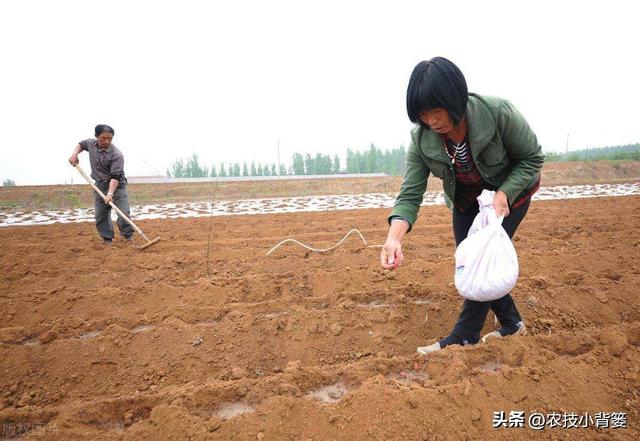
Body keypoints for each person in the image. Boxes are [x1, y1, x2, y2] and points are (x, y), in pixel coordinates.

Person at [381, 57, 544, 355]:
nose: (431, 121)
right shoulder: (421, 140)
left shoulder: (498, 113)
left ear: (454, 99)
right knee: (473, 262)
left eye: (436, 110)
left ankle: (465, 334)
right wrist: (394, 237)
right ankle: (512, 324)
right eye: (422, 114)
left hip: (509, 195)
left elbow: (532, 158)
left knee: (482, 258)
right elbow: (410, 194)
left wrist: (504, 193)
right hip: (467, 198)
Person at [68, 124, 134, 244]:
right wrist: (74, 154)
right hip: (100, 185)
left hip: (117, 185)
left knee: (123, 212)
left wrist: (110, 194)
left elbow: (116, 176)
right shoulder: (90, 144)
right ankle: (107, 239)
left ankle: (128, 237)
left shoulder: (117, 154)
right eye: (103, 138)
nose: (107, 141)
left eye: (110, 138)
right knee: (101, 215)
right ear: (96, 136)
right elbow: (81, 144)